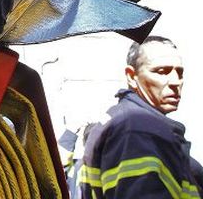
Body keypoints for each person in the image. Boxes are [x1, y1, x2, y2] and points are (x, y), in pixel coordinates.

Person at [80, 36, 202, 198]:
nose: (175, 82)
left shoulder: (123, 121)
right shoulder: (137, 127)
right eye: (161, 71)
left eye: (179, 73)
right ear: (131, 76)